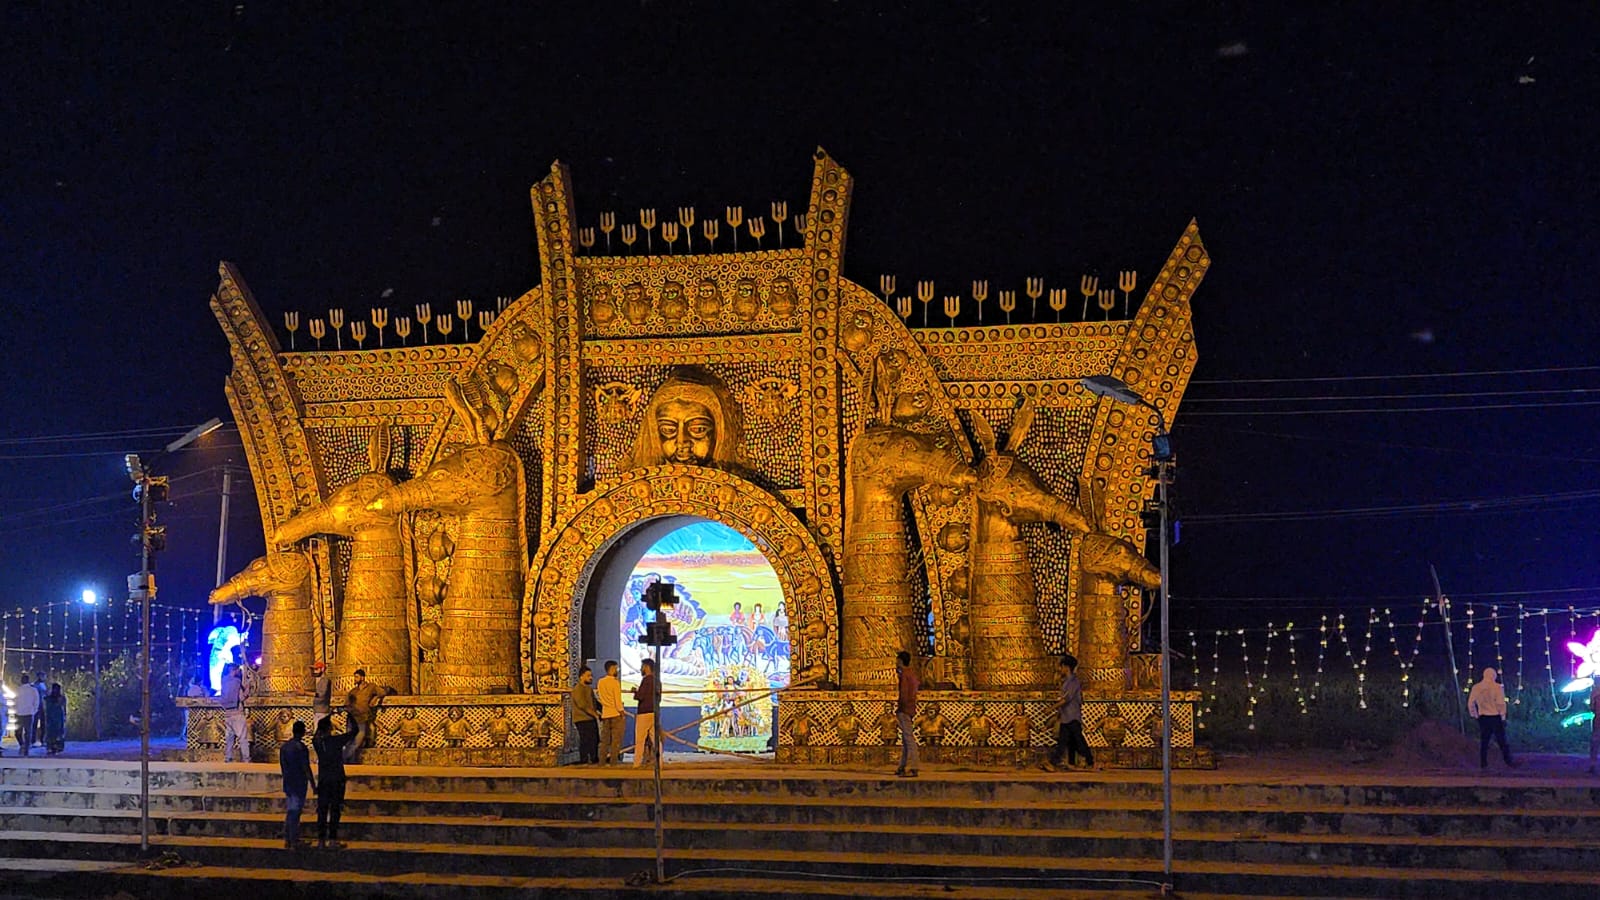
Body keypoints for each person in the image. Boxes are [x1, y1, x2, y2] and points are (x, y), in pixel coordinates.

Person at [311, 715, 358, 849]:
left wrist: (328, 715)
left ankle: (321, 840)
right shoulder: (336, 741)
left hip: (324, 780)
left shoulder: (318, 743)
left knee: (322, 810)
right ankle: (332, 839)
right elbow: (354, 732)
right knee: (335, 809)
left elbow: (316, 735)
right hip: (337, 779)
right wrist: (350, 715)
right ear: (330, 728)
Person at [1043, 653, 1094, 771]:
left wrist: (1051, 709)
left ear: (1066, 667)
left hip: (1072, 716)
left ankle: (1088, 761)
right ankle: (1070, 762)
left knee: (1076, 741)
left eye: (1061, 667)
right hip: (1066, 717)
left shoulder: (1073, 682)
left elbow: (1066, 699)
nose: (1060, 670)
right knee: (1068, 741)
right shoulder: (1066, 682)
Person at [1468, 666, 1515, 769]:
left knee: (1484, 741)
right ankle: (1508, 762)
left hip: (1483, 717)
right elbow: (1501, 704)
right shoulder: (1498, 687)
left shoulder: (1476, 687)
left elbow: (1471, 703)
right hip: (1495, 717)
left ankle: (1483, 763)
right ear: (1494, 676)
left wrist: (1475, 715)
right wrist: (1503, 717)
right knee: (1501, 741)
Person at [343, 668, 395, 762]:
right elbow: (346, 704)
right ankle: (350, 760)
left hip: (362, 717)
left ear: (362, 678)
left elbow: (384, 691)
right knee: (349, 739)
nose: (355, 679)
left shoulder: (371, 687)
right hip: (351, 717)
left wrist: (376, 697)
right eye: (354, 677)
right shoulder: (353, 691)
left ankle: (343, 758)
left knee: (358, 739)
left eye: (356, 677)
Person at [279, 720, 314, 850]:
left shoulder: (284, 747)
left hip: (288, 782)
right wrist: (313, 784)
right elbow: (306, 767)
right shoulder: (301, 747)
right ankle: (293, 840)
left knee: (291, 810)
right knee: (295, 811)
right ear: (303, 732)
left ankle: (289, 839)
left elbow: (283, 765)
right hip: (299, 782)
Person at [220, 662, 252, 762]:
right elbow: (241, 698)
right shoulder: (237, 682)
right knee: (243, 737)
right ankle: (246, 758)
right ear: (234, 670)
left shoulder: (223, 681)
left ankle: (228, 757)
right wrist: (248, 688)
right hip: (237, 713)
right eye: (237, 670)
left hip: (227, 714)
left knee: (229, 738)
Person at [895, 650, 920, 778]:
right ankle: (902, 766)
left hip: (905, 709)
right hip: (910, 708)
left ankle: (914, 766)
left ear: (900, 661)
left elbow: (904, 694)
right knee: (905, 739)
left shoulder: (905, 675)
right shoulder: (912, 674)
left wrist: (901, 707)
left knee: (909, 739)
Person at [632, 658, 660, 767]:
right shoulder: (657, 681)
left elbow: (640, 696)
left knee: (640, 740)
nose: (641, 668)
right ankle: (660, 762)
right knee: (655, 739)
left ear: (647, 667)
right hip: (654, 712)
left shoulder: (646, 680)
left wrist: (635, 692)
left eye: (642, 666)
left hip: (644, 713)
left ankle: (637, 763)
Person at [570, 667, 601, 764]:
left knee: (594, 739)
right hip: (582, 718)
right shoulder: (578, 689)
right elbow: (582, 705)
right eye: (588, 676)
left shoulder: (589, 689)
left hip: (590, 718)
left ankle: (594, 758)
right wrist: (594, 714)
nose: (591, 678)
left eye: (591, 675)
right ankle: (583, 760)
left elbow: (594, 703)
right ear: (581, 676)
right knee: (585, 739)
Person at [597, 660, 625, 764]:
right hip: (615, 714)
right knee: (615, 740)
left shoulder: (600, 682)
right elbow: (617, 700)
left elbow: (600, 697)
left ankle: (602, 762)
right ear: (612, 669)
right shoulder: (615, 682)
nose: (617, 670)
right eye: (616, 668)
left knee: (604, 740)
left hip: (605, 713)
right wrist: (622, 712)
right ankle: (613, 762)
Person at [10, 673, 39, 756]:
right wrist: (34, 710)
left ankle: (25, 747)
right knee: (26, 732)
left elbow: (36, 701)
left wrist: (33, 710)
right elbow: (36, 701)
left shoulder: (31, 690)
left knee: (21, 732)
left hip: (24, 713)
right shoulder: (21, 689)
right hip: (25, 713)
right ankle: (24, 746)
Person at [43, 683, 66, 755]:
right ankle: (53, 747)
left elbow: (63, 708)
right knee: (54, 733)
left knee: (55, 733)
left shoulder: (52, 699)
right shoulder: (51, 699)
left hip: (56, 718)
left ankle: (54, 747)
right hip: (54, 718)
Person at [310, 661, 333, 730]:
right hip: (319, 710)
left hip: (322, 711)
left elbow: (321, 694)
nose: (314, 671)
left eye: (316, 669)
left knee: (320, 732)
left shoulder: (325, 680)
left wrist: (305, 693)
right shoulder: (321, 680)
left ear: (322, 669)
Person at [32, 673, 48, 750]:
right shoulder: (36, 685)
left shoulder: (43, 684)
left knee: (43, 724)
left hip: (42, 706)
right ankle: (33, 740)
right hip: (37, 706)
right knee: (34, 724)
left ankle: (42, 739)